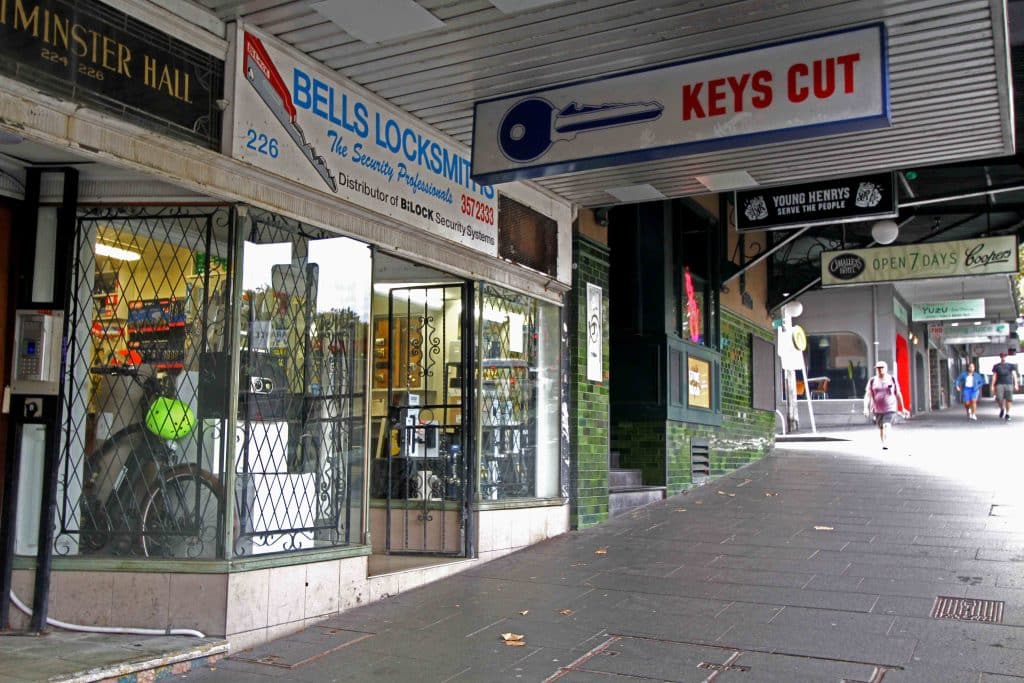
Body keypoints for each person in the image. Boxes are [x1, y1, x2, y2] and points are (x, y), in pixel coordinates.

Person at [863, 360, 908, 450]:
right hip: (877, 409)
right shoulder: (872, 381)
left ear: (886, 369)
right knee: (881, 428)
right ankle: (883, 442)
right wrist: (865, 408)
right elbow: (868, 395)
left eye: (881, 368)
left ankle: (886, 443)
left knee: (886, 425)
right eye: (878, 368)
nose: (879, 370)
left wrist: (902, 408)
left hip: (890, 408)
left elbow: (898, 393)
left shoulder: (892, 379)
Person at [989, 352, 1019, 422]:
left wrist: (1016, 384)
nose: (1003, 358)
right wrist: (992, 385)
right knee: (999, 398)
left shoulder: (1011, 365)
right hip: (999, 384)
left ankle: (1008, 413)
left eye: (1005, 356)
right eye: (1002, 356)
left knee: (1009, 399)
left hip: (1008, 384)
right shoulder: (996, 366)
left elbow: (1014, 375)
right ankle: (1002, 409)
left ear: (1006, 357)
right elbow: (994, 376)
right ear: (1000, 357)